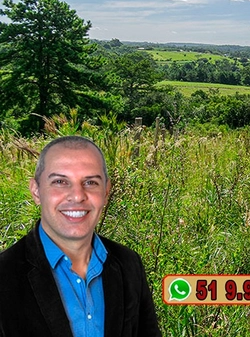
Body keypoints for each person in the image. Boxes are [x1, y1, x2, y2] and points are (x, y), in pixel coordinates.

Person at [0, 135, 161, 337]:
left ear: (106, 191)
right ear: (36, 191)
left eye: (91, 182)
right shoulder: (4, 275)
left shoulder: (129, 264)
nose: (77, 196)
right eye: (60, 181)